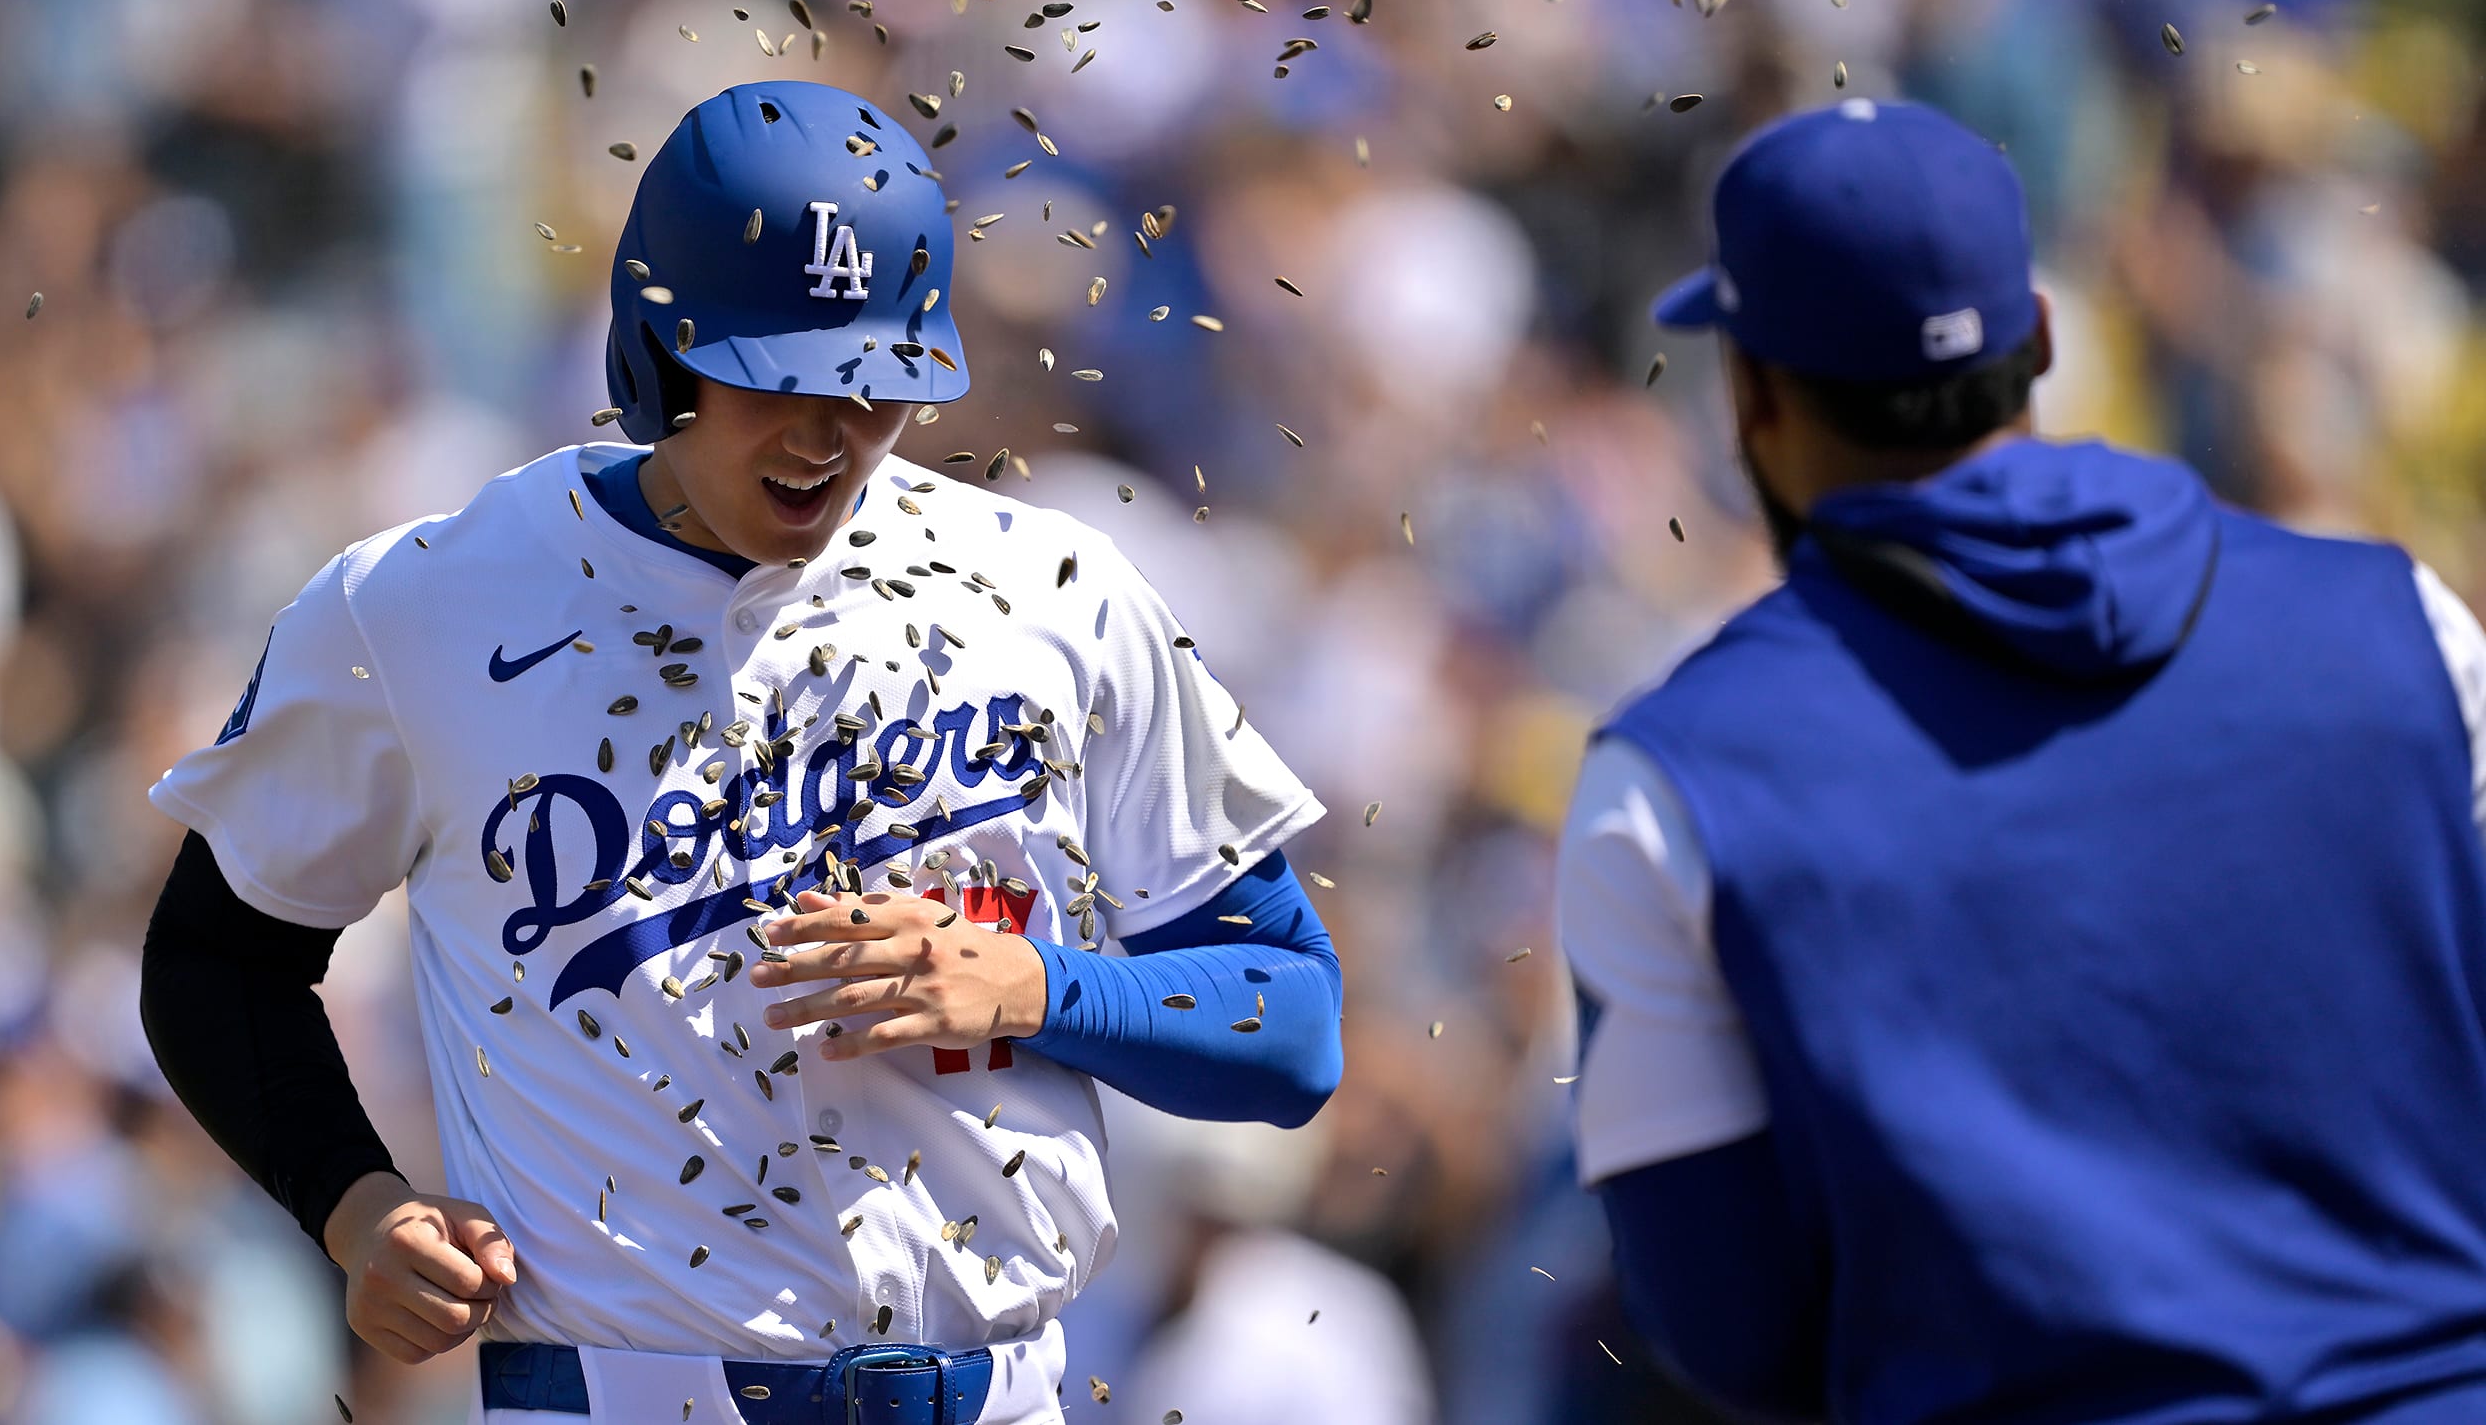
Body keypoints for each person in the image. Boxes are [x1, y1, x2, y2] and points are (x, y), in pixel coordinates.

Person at [137, 80, 1343, 1425]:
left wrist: (1036, 984)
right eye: (777, 377)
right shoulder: (421, 606)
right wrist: (356, 1204)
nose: (827, 434)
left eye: (871, 381)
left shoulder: (1054, 589)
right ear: (658, 350)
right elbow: (216, 957)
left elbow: (1288, 1020)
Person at [1561, 98, 2486, 1423]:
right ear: (2041, 343)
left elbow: (1728, 1325)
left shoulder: (1672, 781)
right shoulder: (2411, 624)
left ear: (1751, 394)